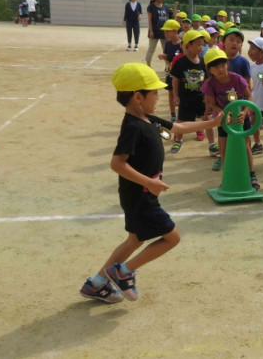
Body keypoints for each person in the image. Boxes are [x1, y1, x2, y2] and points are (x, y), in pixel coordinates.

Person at [79, 63, 223, 304]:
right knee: (172, 237)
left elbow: (177, 127)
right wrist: (149, 182)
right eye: (154, 92)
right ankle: (124, 272)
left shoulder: (149, 120)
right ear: (138, 97)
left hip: (140, 194)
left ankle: (96, 284)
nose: (158, 96)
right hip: (141, 195)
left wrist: (213, 123)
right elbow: (117, 163)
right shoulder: (133, 127)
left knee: (135, 239)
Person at [200, 49, 260, 189]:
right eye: (215, 67)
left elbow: (249, 97)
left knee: (246, 147)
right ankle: (227, 178)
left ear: (227, 64)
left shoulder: (237, 79)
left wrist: (245, 112)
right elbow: (213, 104)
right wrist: (223, 114)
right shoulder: (210, 84)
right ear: (209, 69)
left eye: (223, 64)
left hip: (240, 117)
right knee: (224, 149)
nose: (220, 69)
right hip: (223, 120)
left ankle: (252, 176)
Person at [169, 30, 208, 153]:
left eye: (202, 44)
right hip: (185, 97)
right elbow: (175, 80)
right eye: (198, 44)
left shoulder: (203, 62)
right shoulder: (181, 62)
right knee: (182, 121)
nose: (201, 47)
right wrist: (175, 95)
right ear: (188, 45)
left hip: (201, 97)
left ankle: (212, 143)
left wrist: (208, 96)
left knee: (205, 118)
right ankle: (178, 140)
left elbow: (207, 81)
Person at [158, 19, 183, 123]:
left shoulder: (182, 44)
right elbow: (168, 56)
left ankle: (182, 113)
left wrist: (170, 58)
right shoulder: (168, 44)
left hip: (180, 74)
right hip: (170, 72)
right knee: (171, 93)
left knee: (181, 93)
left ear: (175, 31)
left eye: (168, 31)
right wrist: (164, 57)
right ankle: (173, 114)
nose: (166, 34)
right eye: (165, 31)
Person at [145, 0, 170, 68]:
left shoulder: (165, 7)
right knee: (151, 48)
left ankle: (167, 66)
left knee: (166, 49)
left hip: (164, 32)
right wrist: (151, 31)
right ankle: (148, 64)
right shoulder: (151, 7)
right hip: (154, 31)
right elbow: (150, 20)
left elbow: (168, 19)